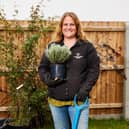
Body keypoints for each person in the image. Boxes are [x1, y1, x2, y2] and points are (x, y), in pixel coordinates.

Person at [38, 12, 100, 129]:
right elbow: (43, 67)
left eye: (72, 24)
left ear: (77, 27)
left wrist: (84, 91)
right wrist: (48, 80)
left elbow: (94, 70)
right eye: (65, 24)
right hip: (56, 101)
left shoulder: (87, 47)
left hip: (78, 101)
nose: (68, 27)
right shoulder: (52, 46)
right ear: (61, 27)